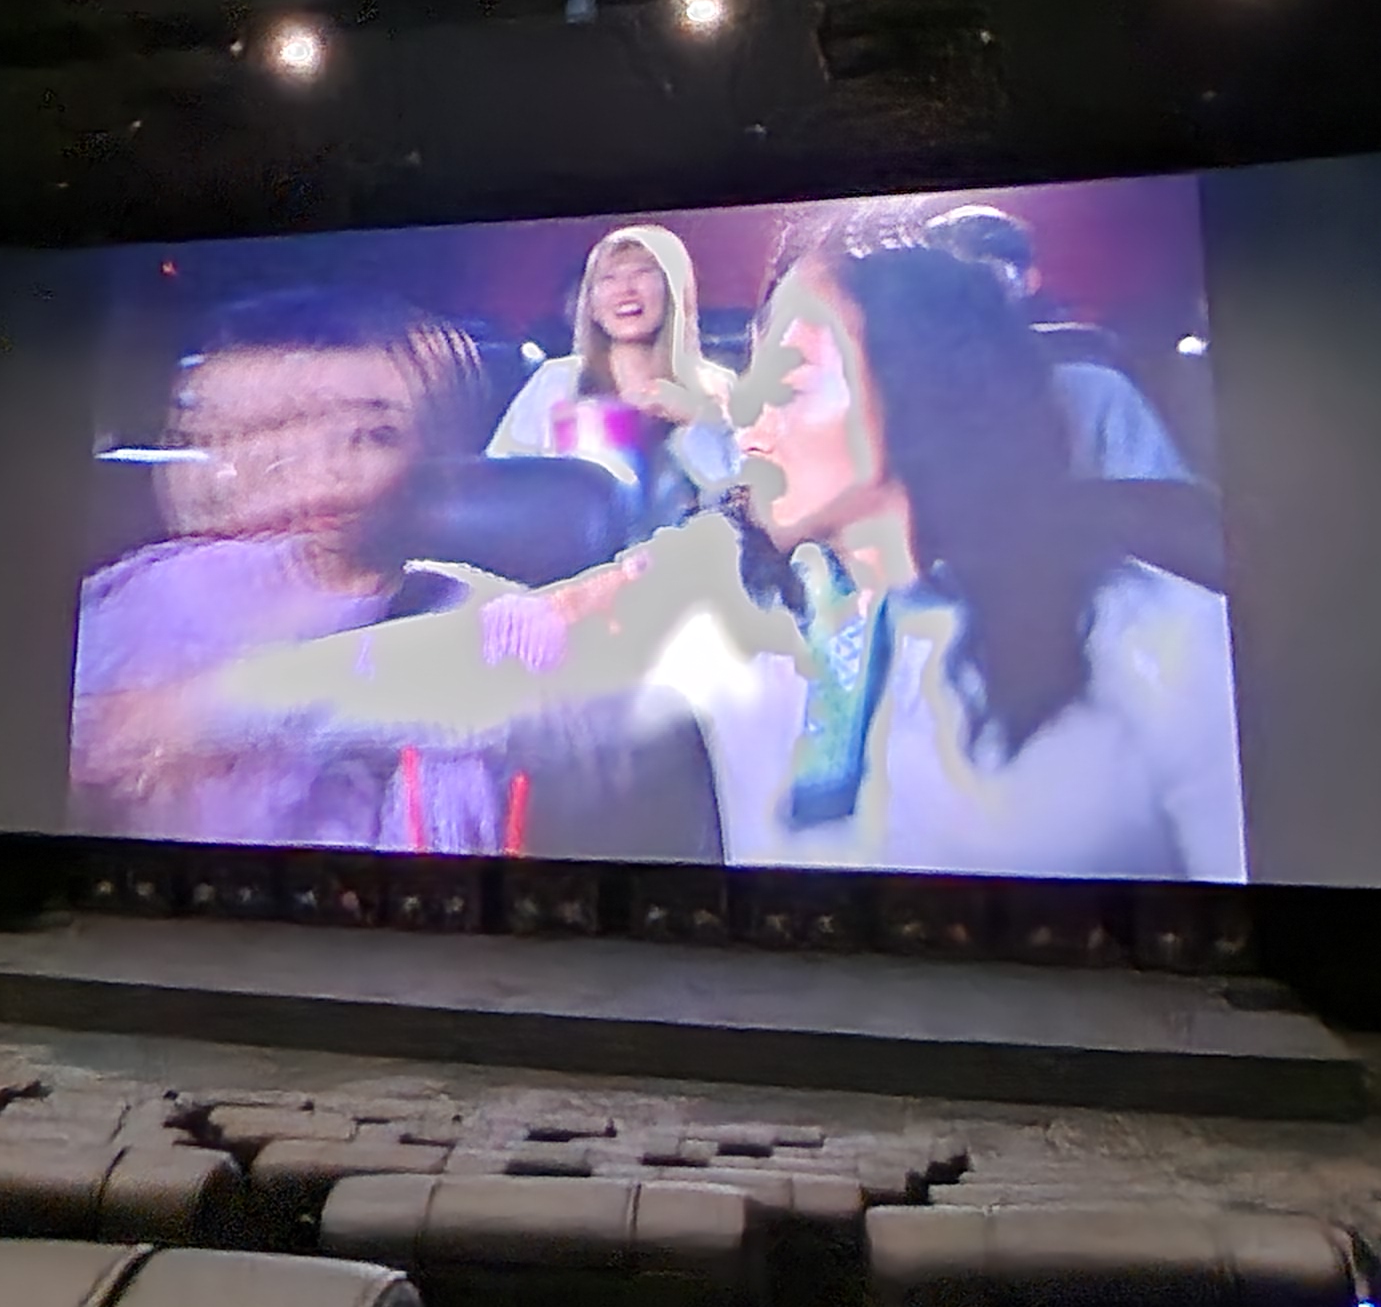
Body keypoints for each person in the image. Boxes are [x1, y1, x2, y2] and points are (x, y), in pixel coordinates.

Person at [117, 231, 1244, 881]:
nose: (749, 409)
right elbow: (487, 661)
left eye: (796, 372)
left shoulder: (1166, 640)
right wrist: (208, 702)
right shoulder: (726, 586)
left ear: (928, 395)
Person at [67, 285, 505, 850]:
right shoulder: (138, 599)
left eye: (371, 435)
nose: (316, 466)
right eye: (226, 433)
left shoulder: (474, 621)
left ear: (444, 460)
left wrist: (206, 713)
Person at [483, 222, 736, 532]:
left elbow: (738, 505)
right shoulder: (556, 380)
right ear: (591, 303)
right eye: (608, 278)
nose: (625, 290)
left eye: (642, 273)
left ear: (673, 292)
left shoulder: (715, 385)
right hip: (569, 552)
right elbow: (500, 485)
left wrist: (697, 418)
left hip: (675, 557)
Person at [921, 202, 1192, 482]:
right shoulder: (905, 398)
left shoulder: (1097, 392)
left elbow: (1161, 500)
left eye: (988, 278)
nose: (972, 297)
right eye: (947, 283)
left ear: (1030, 280)